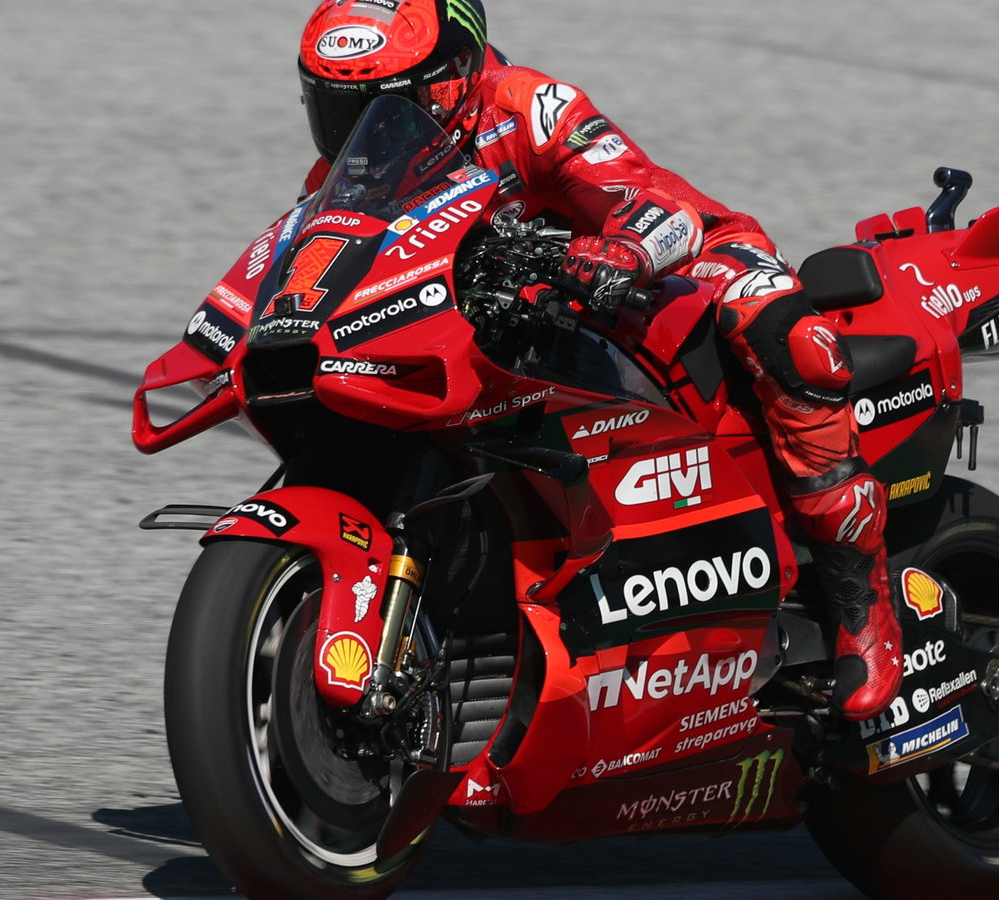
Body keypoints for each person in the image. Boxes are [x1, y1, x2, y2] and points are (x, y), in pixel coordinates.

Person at [296, 0, 902, 720]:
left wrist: (620, 249)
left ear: (452, 75)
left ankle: (861, 604)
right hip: (516, 324)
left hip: (662, 267)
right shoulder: (354, 171)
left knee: (785, 336)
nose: (357, 130)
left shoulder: (528, 109)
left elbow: (650, 197)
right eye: (337, 107)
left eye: (378, 103)